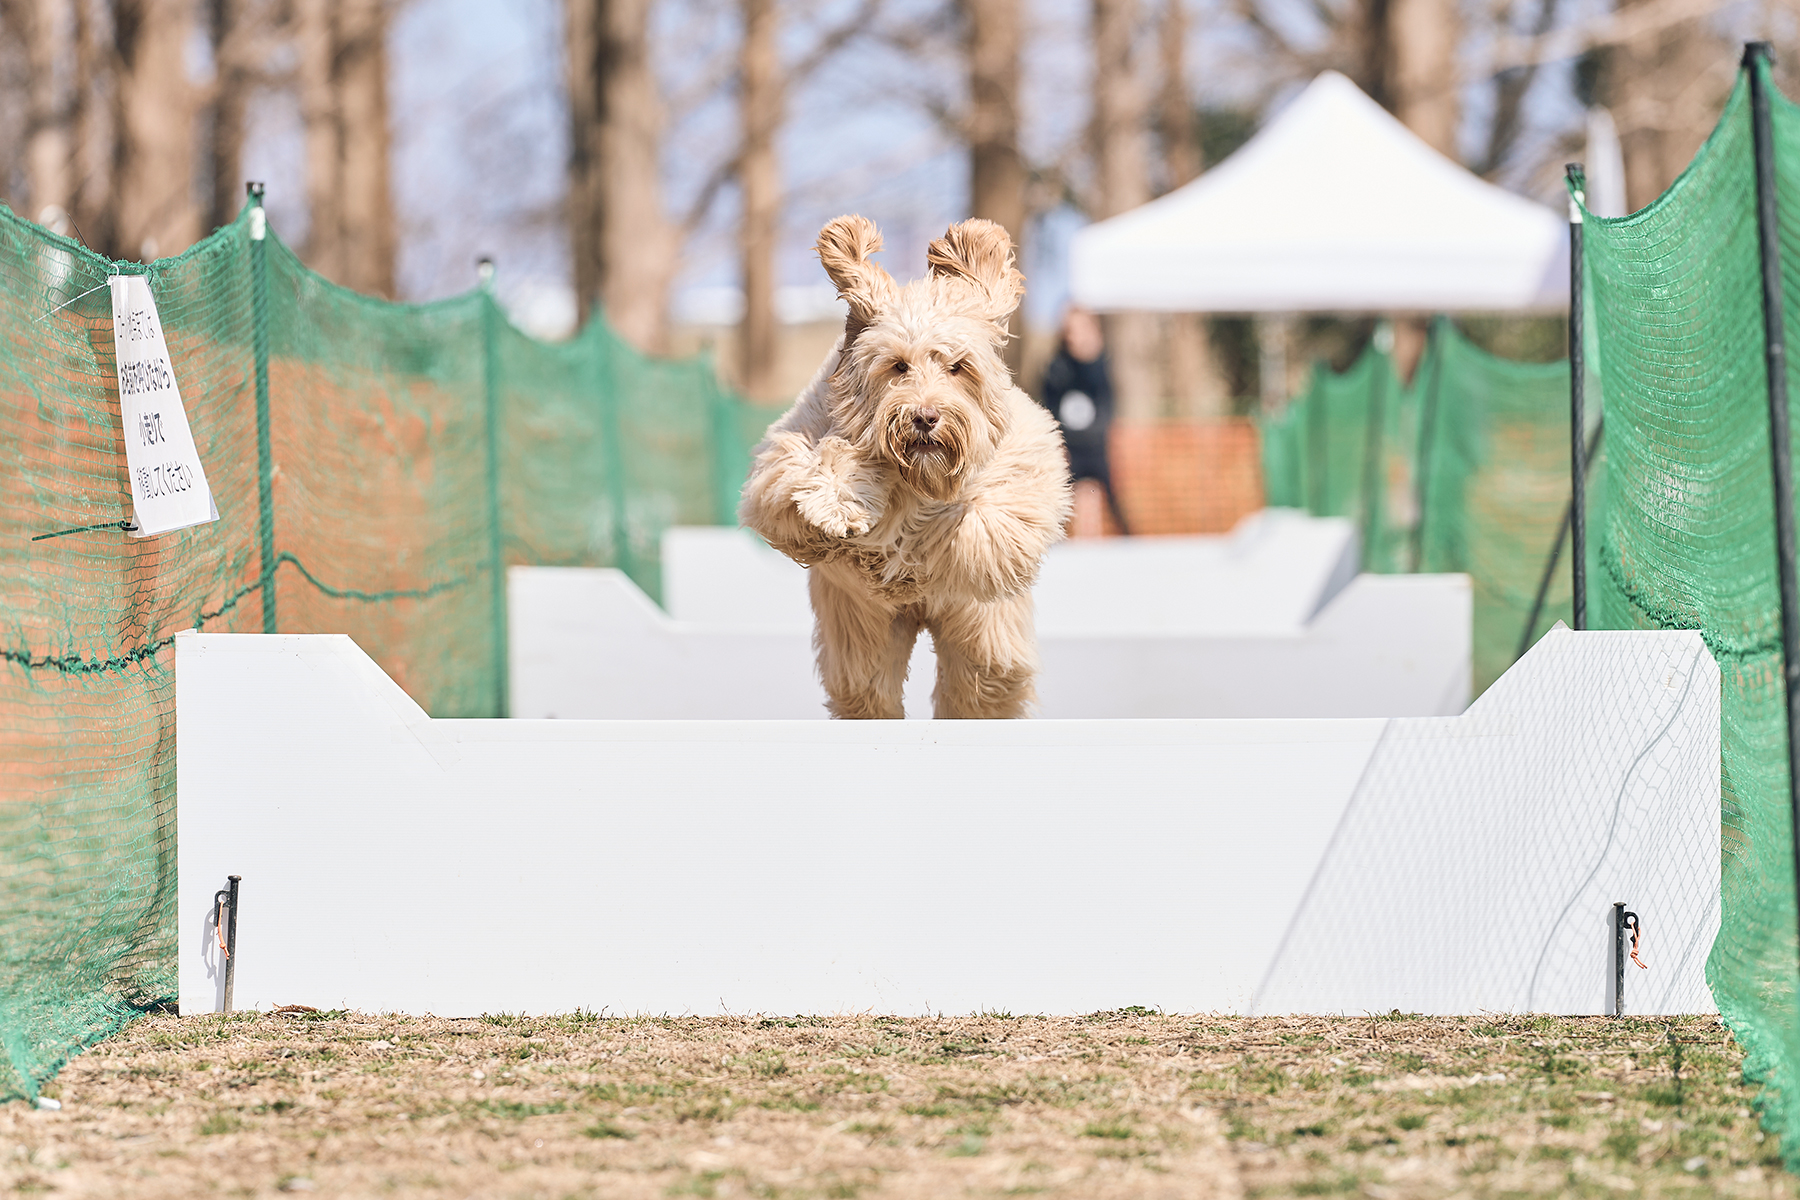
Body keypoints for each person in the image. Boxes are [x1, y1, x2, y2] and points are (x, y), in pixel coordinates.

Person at [1037, 307, 1130, 535]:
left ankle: (1131, 540)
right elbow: (1049, 408)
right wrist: (1057, 443)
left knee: (1113, 500)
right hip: (1069, 447)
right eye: (1070, 331)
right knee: (1059, 500)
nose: (1074, 337)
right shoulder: (1057, 367)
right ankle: (1050, 541)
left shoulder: (1101, 364)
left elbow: (1107, 405)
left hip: (1096, 447)